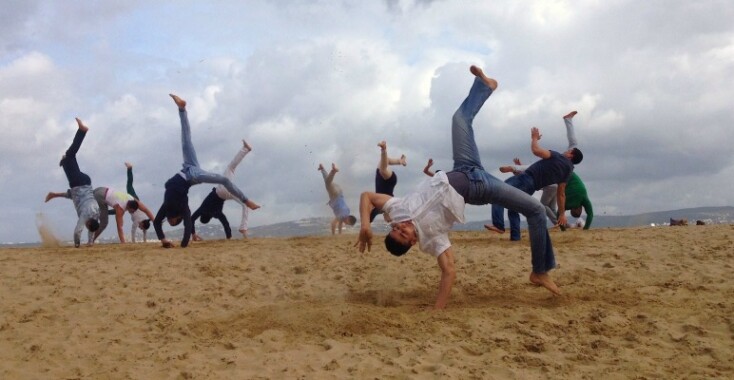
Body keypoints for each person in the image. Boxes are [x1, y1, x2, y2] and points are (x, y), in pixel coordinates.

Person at [355, 65, 561, 309]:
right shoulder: (431, 240)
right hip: (481, 188)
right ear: (412, 243)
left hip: (464, 166)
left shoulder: (397, 210)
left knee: (460, 118)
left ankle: (485, 86)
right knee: (536, 211)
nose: (401, 227)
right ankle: (540, 271)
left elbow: (367, 196)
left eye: (396, 229)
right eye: (403, 234)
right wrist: (437, 311)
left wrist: (366, 226)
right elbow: (449, 271)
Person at [153, 94, 260, 248]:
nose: (170, 222)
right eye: (173, 223)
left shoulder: (167, 207)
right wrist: (180, 243)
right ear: (177, 219)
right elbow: (188, 224)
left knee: (186, 140)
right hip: (192, 176)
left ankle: (182, 108)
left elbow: (157, 222)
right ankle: (246, 201)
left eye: (170, 223)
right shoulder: (182, 207)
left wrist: (164, 241)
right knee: (223, 179)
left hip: (188, 169)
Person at [487, 112, 583, 240]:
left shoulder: (557, 157)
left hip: (526, 179)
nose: (566, 151)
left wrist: (534, 138)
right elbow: (561, 194)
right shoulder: (568, 171)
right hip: (532, 187)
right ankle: (515, 237)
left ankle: (498, 224)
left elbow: (536, 151)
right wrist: (561, 214)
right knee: (513, 207)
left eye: (569, 151)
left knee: (498, 191)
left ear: (571, 155)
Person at [50, 118, 100, 248]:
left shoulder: (96, 215)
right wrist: (77, 245)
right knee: (70, 155)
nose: (87, 227)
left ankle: (65, 162)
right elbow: (78, 230)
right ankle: (82, 132)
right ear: (89, 224)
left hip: (86, 185)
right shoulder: (86, 215)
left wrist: (90, 243)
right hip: (78, 184)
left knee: (68, 158)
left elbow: (93, 229)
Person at [191, 139, 254, 241]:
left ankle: (243, 230)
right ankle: (245, 149)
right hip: (221, 190)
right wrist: (193, 233)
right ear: (202, 216)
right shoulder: (202, 209)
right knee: (230, 168)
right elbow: (191, 219)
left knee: (244, 203)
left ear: (209, 218)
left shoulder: (216, 213)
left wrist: (228, 237)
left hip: (225, 194)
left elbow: (225, 223)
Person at [369, 140, 407, 223]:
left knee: (385, 162)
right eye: (388, 220)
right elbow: (372, 215)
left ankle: (400, 161)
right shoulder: (385, 206)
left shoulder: (379, 208)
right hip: (388, 182)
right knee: (383, 168)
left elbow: (371, 215)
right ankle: (384, 149)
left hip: (381, 177)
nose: (386, 220)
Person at [318, 163, 357, 234]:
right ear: (348, 219)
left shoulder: (346, 213)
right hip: (335, 194)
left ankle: (322, 169)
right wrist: (333, 236)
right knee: (328, 183)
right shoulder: (342, 214)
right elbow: (333, 224)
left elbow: (340, 225)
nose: (346, 224)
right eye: (347, 223)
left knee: (328, 182)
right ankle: (333, 171)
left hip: (338, 192)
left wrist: (340, 235)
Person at [124, 162, 153, 242]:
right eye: (141, 227)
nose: (140, 228)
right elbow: (133, 231)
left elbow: (145, 231)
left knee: (129, 185)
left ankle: (129, 168)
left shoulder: (145, 220)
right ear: (142, 224)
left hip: (134, 203)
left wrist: (145, 241)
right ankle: (129, 168)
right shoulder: (138, 220)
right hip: (134, 201)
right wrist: (133, 241)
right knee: (129, 185)